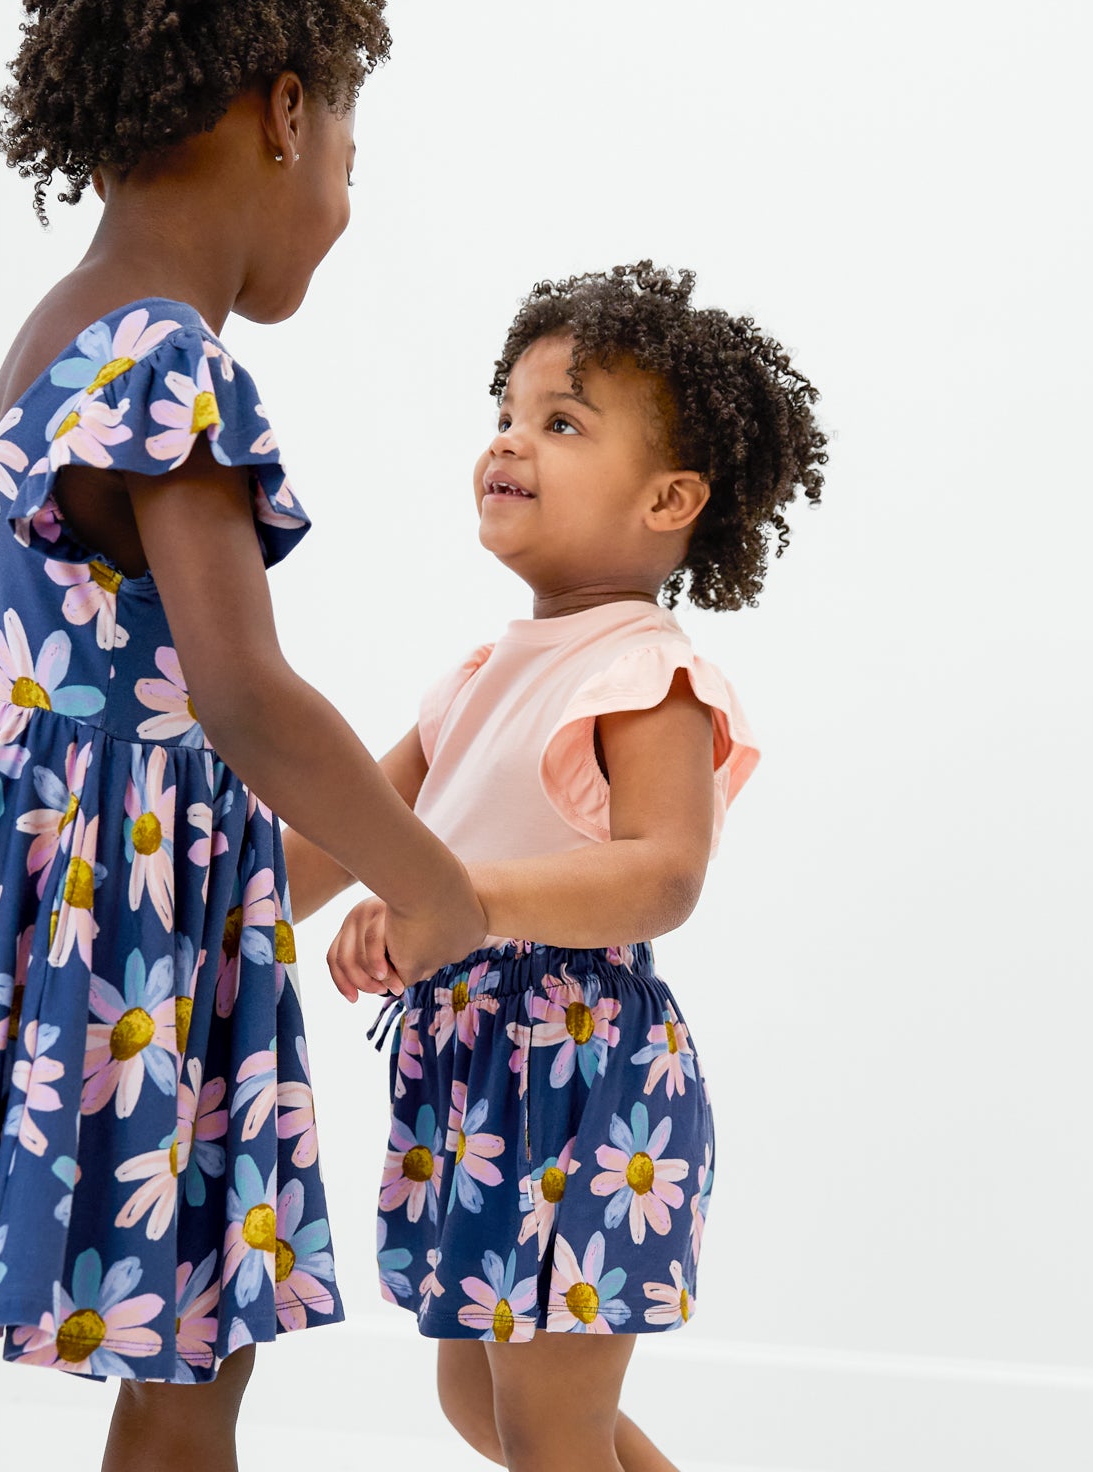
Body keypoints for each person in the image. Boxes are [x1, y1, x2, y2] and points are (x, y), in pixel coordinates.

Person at [0, 0, 484, 1471]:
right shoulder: (170, 358)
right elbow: (241, 694)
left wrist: (264, 887)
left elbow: (117, 719)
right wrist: (430, 885)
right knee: (188, 1373)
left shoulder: (55, 331)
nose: (345, 205)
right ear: (285, 114)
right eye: (349, 156)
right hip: (104, 941)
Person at [283, 262, 827, 1472]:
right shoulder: (479, 675)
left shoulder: (643, 672)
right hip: (475, 1078)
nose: (509, 442)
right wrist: (198, 909)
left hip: (586, 1077)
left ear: (668, 497)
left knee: (547, 1421)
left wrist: (462, 902)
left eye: (561, 422)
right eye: (507, 415)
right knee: (482, 1403)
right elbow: (343, 828)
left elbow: (665, 874)